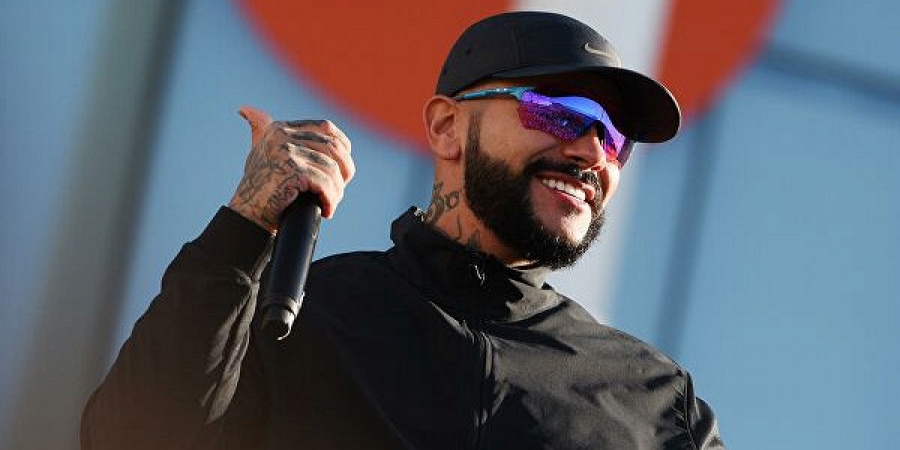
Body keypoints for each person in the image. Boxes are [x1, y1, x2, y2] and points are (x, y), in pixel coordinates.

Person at [81, 11, 724, 450]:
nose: (591, 153)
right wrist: (247, 221)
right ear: (447, 127)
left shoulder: (653, 401)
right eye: (560, 112)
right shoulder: (300, 314)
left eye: (614, 139)